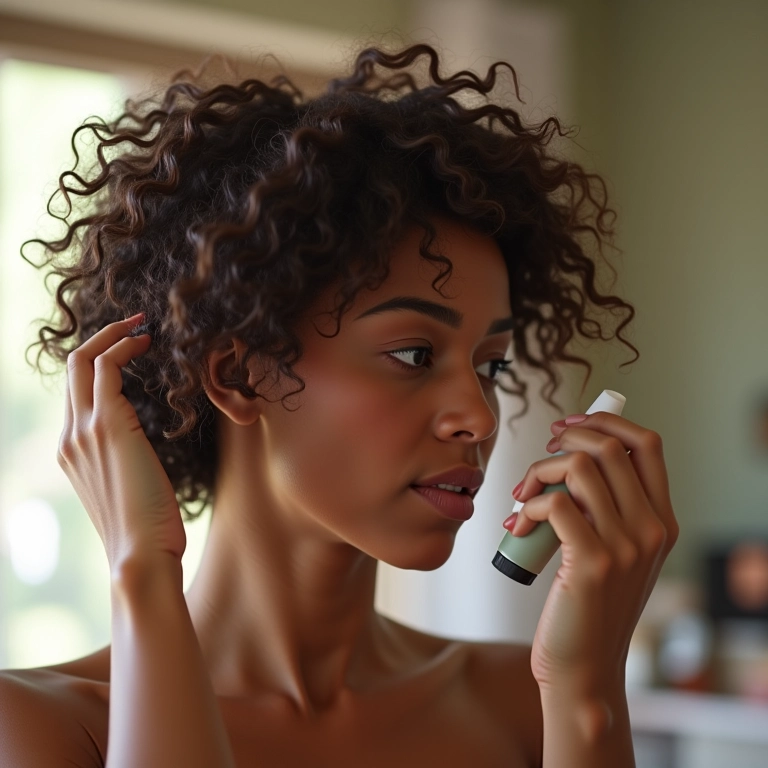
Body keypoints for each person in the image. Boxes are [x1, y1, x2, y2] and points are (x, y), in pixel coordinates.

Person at [0, 43, 678, 767]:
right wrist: (141, 567)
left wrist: (587, 686)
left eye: (491, 366)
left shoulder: (524, 698)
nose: (478, 419)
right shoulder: (43, 728)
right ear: (236, 375)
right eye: (415, 354)